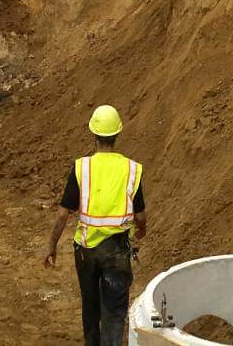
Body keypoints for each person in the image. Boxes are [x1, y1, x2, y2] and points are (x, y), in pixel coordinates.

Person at [43, 105, 147, 346]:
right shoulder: (132, 169)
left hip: (86, 249)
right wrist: (142, 230)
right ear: (117, 134)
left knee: (90, 307)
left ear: (94, 133)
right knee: (114, 312)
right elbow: (140, 215)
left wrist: (52, 246)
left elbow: (62, 214)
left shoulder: (82, 167)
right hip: (117, 250)